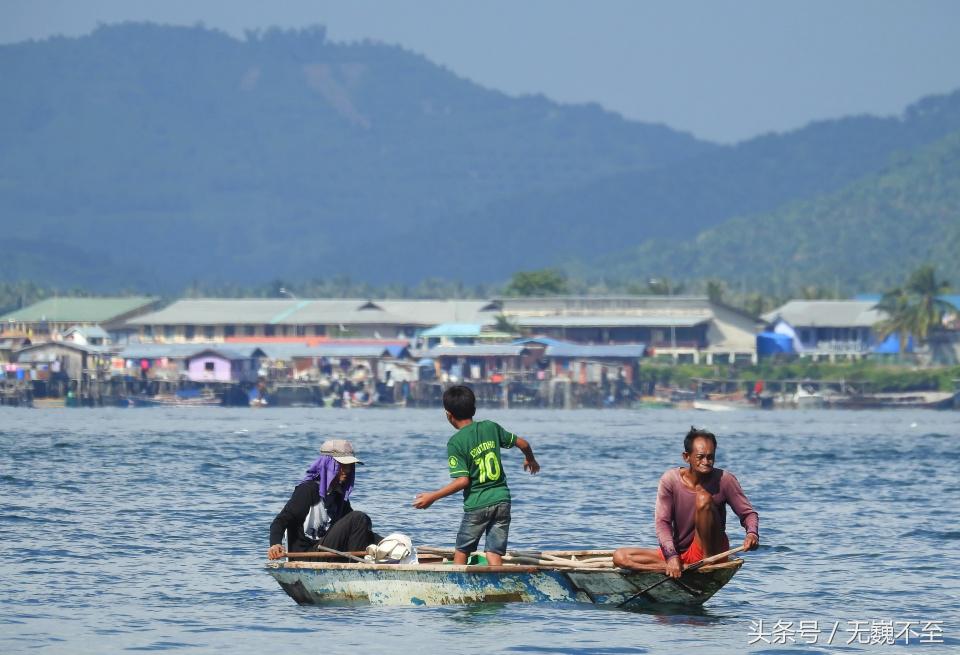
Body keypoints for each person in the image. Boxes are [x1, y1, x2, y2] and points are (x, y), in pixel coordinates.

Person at [412, 385, 540, 566]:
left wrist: (433, 496)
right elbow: (523, 444)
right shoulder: (491, 427)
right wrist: (530, 460)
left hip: (477, 504)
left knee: (462, 550)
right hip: (502, 501)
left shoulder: (456, 442)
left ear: (448, 415)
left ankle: (458, 582)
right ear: (474, 409)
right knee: (494, 553)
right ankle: (498, 581)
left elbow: (463, 481)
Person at [613, 427, 759, 577]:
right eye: (700, 457)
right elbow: (662, 522)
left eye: (710, 457)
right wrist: (672, 557)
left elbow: (748, 514)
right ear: (686, 457)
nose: (706, 462)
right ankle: (678, 568)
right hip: (681, 553)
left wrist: (752, 534)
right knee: (620, 557)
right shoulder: (670, 480)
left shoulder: (725, 480)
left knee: (703, 498)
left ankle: (705, 566)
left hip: (712, 553)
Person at [267, 439, 381, 560]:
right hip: (306, 556)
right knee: (358, 518)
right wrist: (275, 544)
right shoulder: (307, 491)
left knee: (363, 522)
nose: (347, 470)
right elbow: (280, 521)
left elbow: (356, 530)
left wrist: (386, 543)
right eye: (342, 465)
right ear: (328, 465)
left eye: (349, 466)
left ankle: (356, 563)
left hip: (329, 552)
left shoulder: (338, 496)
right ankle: (356, 564)